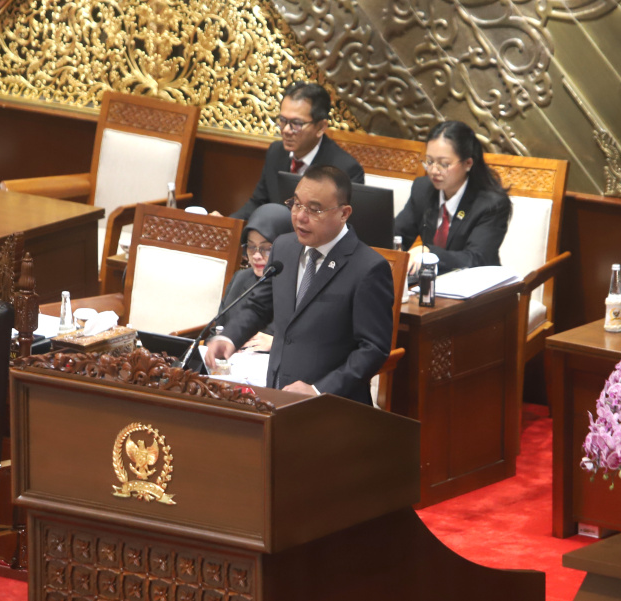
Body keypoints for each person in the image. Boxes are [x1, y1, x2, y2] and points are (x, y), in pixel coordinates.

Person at [206, 165, 394, 405]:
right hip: (276, 396)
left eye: (314, 210)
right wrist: (230, 338)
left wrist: (319, 390)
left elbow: (373, 349)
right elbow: (259, 306)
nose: (300, 217)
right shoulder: (284, 248)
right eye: (296, 204)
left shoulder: (368, 268)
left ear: (344, 213)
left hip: (332, 407)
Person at [229, 82, 364, 220]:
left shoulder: (346, 170)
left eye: (297, 124)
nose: (287, 130)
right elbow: (258, 203)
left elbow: (344, 224)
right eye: (283, 120)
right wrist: (227, 223)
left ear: (321, 127)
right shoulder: (276, 152)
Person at [393, 120, 512, 275]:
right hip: (430, 281)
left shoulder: (491, 204)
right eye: (429, 161)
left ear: (468, 163)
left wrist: (430, 253)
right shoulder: (422, 188)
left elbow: (476, 259)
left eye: (444, 164)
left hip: (477, 283)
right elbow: (398, 235)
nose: (433, 171)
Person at [215, 203, 293, 352]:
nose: (256, 256)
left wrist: (277, 343)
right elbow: (218, 329)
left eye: (267, 249)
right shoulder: (241, 278)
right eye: (251, 247)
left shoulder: (302, 286)